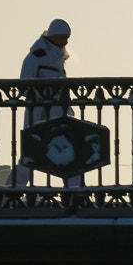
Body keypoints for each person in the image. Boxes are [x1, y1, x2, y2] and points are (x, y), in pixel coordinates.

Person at [13, 19, 79, 188]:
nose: (66, 42)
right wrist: (45, 93)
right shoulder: (36, 56)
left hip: (58, 114)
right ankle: (11, 193)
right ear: (55, 36)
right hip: (40, 115)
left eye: (67, 38)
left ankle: (75, 189)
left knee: (65, 152)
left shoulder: (59, 58)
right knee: (32, 154)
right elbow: (24, 85)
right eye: (63, 38)